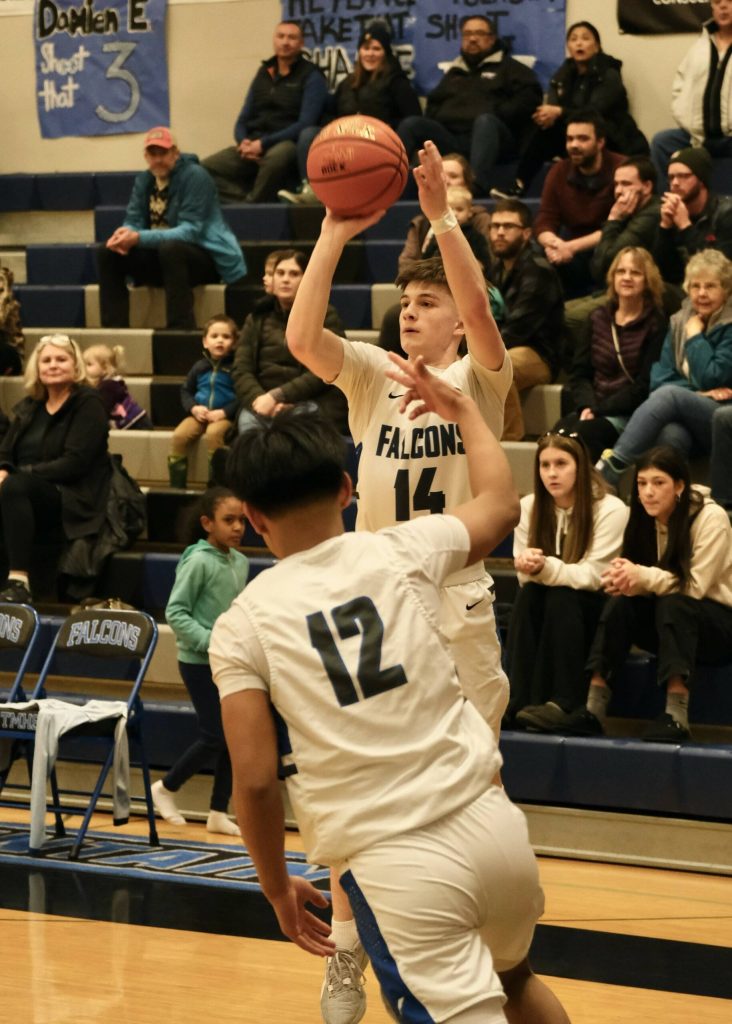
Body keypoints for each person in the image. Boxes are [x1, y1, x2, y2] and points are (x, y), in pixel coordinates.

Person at [210, 361, 571, 1024]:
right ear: (348, 488)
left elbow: (256, 780)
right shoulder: (400, 548)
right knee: (518, 986)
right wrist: (463, 412)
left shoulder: (242, 625)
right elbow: (499, 503)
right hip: (493, 825)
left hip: (400, 863)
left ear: (254, 517)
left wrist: (274, 889)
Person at [286, 140, 513, 1024]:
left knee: (475, 784)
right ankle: (347, 952)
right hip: (378, 611)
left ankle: (483, 945)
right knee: (353, 783)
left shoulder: (474, 383)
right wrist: (337, 231)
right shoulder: (374, 379)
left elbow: (486, 317)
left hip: (457, 605)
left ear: (454, 319)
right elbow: (304, 337)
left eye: (428, 304)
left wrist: (447, 221)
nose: (411, 315)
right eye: (405, 304)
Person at [557, 446, 732, 743]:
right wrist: (622, 582)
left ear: (679, 485)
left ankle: (677, 715)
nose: (648, 492)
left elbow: (695, 587)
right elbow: (641, 579)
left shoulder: (710, 517)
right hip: (668, 620)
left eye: (658, 483)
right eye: (641, 483)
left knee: (676, 603)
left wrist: (642, 577)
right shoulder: (640, 514)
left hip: (718, 625)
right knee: (621, 604)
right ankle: (593, 707)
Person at [505, 431, 627, 731]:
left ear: (580, 467)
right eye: (544, 465)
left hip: (595, 607)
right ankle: (517, 700)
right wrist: (527, 566)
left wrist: (543, 567)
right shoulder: (529, 507)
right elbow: (524, 575)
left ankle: (565, 701)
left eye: (561, 464)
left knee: (562, 595)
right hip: (546, 599)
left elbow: (593, 575)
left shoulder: (611, 509)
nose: (551, 473)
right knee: (530, 594)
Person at [152, 487, 249, 833]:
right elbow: (176, 612)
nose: (238, 527)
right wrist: (211, 642)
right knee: (214, 734)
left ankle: (217, 811)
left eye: (242, 520)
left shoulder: (241, 561)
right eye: (229, 520)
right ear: (207, 523)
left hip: (228, 660)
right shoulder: (197, 561)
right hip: (197, 660)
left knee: (233, 736)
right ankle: (165, 787)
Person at [596, 249, 732, 486]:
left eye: (710, 286)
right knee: (671, 433)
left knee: (670, 396)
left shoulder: (728, 325)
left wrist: (695, 338)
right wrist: (693, 395)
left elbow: (713, 376)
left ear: (726, 290)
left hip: (722, 417)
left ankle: (614, 464)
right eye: (695, 286)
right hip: (692, 413)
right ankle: (670, 503)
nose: (701, 294)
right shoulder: (679, 320)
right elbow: (660, 378)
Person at [97, 127, 246, 331]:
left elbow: (190, 231)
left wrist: (138, 237)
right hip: (164, 259)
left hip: (204, 258)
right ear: (145, 156)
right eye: (152, 154)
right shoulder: (144, 180)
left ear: (175, 153)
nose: (158, 160)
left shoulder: (196, 176)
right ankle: (114, 329)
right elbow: (133, 219)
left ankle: (180, 328)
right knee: (107, 252)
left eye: (163, 153)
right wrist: (124, 233)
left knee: (171, 248)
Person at [0, 334, 111, 605]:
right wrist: (3, 468)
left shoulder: (88, 403)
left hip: (72, 496)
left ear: (76, 366)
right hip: (28, 492)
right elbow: (6, 450)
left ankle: (18, 581)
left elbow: (75, 463)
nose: (53, 365)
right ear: (37, 368)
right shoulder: (31, 406)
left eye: (61, 359)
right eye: (46, 360)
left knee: (14, 486)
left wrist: (18, 475)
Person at [494, 21, 647, 199]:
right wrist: (547, 117)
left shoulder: (609, 74)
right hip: (576, 135)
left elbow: (595, 112)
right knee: (543, 131)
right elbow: (554, 105)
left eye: (585, 39)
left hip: (611, 136)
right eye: (573, 39)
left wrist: (559, 112)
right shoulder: (563, 75)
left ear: (597, 46)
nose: (579, 43)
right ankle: (519, 185)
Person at [279, 20, 421, 205]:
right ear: (359, 51)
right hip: (344, 143)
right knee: (308, 133)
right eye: (365, 48)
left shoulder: (397, 82)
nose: (370, 53)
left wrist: (384, 128)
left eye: (376, 49)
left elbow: (412, 119)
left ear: (385, 53)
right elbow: (331, 113)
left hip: (378, 144)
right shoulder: (347, 83)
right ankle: (312, 189)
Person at [397, 15, 542, 196]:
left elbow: (528, 102)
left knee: (485, 121)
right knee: (412, 124)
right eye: (467, 34)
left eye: (479, 33)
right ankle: (394, 184)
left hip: (494, 140)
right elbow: (433, 104)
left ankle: (476, 187)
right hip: (453, 139)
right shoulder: (455, 72)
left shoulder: (512, 69)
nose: (473, 38)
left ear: (492, 39)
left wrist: (496, 111)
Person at [556, 247, 668, 461]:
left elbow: (644, 386)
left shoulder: (657, 324)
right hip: (592, 407)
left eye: (635, 273)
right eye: (621, 271)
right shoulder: (596, 318)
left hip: (629, 414)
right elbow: (579, 374)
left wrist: (599, 410)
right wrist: (587, 406)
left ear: (647, 281)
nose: (627, 277)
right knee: (555, 436)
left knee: (582, 437)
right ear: (612, 277)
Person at [202, 22, 327, 204]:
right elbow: (243, 118)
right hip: (252, 142)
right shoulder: (263, 72)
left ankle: (254, 208)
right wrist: (243, 142)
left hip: (286, 143)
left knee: (276, 159)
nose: (285, 42)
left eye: (292, 38)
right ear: (274, 40)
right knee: (203, 169)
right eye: (281, 36)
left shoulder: (312, 76)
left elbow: (306, 123)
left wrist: (263, 144)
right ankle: (244, 202)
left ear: (301, 43)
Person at [378, 158, 494, 353]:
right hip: (430, 283)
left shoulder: (479, 221)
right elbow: (408, 263)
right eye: (442, 175)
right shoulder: (421, 223)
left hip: (466, 291)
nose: (446, 181)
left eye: (453, 176)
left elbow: (486, 264)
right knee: (393, 315)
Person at [234, 250, 348, 436]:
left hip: (310, 401)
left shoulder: (325, 315)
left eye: (294, 274)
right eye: (280, 273)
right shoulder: (256, 318)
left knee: (297, 423)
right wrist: (260, 400)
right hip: (262, 402)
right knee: (249, 423)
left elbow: (324, 371)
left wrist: (277, 396)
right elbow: (241, 369)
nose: (285, 279)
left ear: (306, 279)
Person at [485, 198, 564, 441]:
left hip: (539, 353)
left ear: (527, 233)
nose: (499, 232)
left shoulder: (538, 270)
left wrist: (475, 352)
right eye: (495, 226)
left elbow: (518, 329)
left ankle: (508, 445)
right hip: (505, 345)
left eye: (508, 226)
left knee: (497, 366)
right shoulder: (496, 268)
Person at [533, 111, 625, 298]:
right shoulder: (559, 171)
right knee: (534, 254)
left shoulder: (622, 169)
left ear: (600, 142)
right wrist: (554, 243)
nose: (574, 145)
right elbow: (545, 218)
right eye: (570, 139)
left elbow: (620, 226)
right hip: (570, 252)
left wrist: (570, 247)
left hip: (609, 250)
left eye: (582, 139)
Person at [650, 0, 732, 189]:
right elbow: (680, 85)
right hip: (697, 137)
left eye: (729, 1)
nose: (723, 6)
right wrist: (685, 119)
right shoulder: (699, 47)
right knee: (661, 142)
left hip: (729, 138)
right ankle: (667, 207)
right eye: (717, 2)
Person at [168, 315, 240, 489]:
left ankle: (215, 485)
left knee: (214, 434)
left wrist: (224, 412)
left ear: (235, 342)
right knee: (179, 436)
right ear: (205, 342)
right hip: (200, 414)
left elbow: (242, 396)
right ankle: (177, 486)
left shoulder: (236, 367)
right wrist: (193, 408)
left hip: (223, 416)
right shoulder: (199, 367)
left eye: (226, 337)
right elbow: (186, 390)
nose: (220, 341)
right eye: (214, 336)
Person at [654, 146, 732, 285]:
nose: (675, 183)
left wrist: (685, 226)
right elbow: (662, 272)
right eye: (671, 177)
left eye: (683, 176)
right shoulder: (670, 212)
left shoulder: (726, 213)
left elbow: (719, 271)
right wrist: (665, 227)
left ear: (701, 179)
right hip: (684, 288)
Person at [589, 157, 661, 286]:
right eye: (616, 184)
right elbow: (597, 268)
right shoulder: (627, 212)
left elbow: (608, 264)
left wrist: (613, 219)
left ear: (647, 187)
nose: (618, 191)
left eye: (626, 184)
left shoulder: (653, 214)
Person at [83, 344, 152, 430]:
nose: (84, 368)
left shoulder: (108, 386)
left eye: (89, 364)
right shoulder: (111, 383)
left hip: (136, 424)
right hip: (136, 422)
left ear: (105, 368)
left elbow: (101, 410)